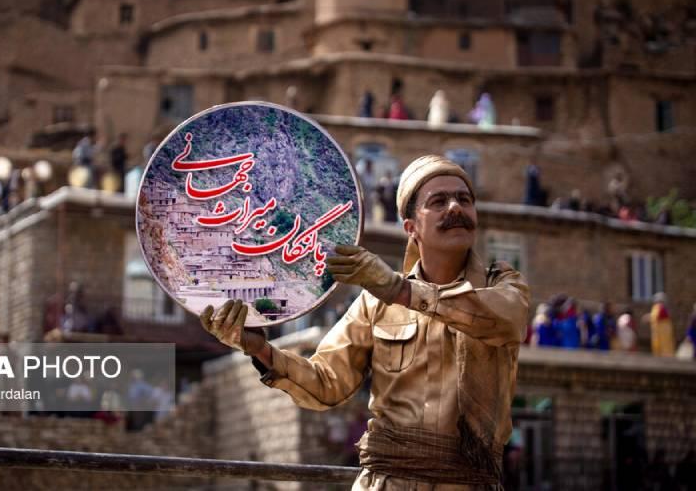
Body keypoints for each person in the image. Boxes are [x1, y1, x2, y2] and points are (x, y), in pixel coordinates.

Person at [200, 155, 529, 489]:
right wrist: (260, 350)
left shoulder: (502, 285)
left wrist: (400, 290)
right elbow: (327, 384)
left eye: (464, 199)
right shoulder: (376, 303)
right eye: (439, 201)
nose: (455, 207)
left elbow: (507, 319)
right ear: (411, 228)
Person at [645, 292, 675, 357]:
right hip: (662, 330)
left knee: (663, 345)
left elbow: (656, 316)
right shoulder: (662, 307)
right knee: (664, 344)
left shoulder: (659, 307)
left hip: (661, 331)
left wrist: (648, 317)